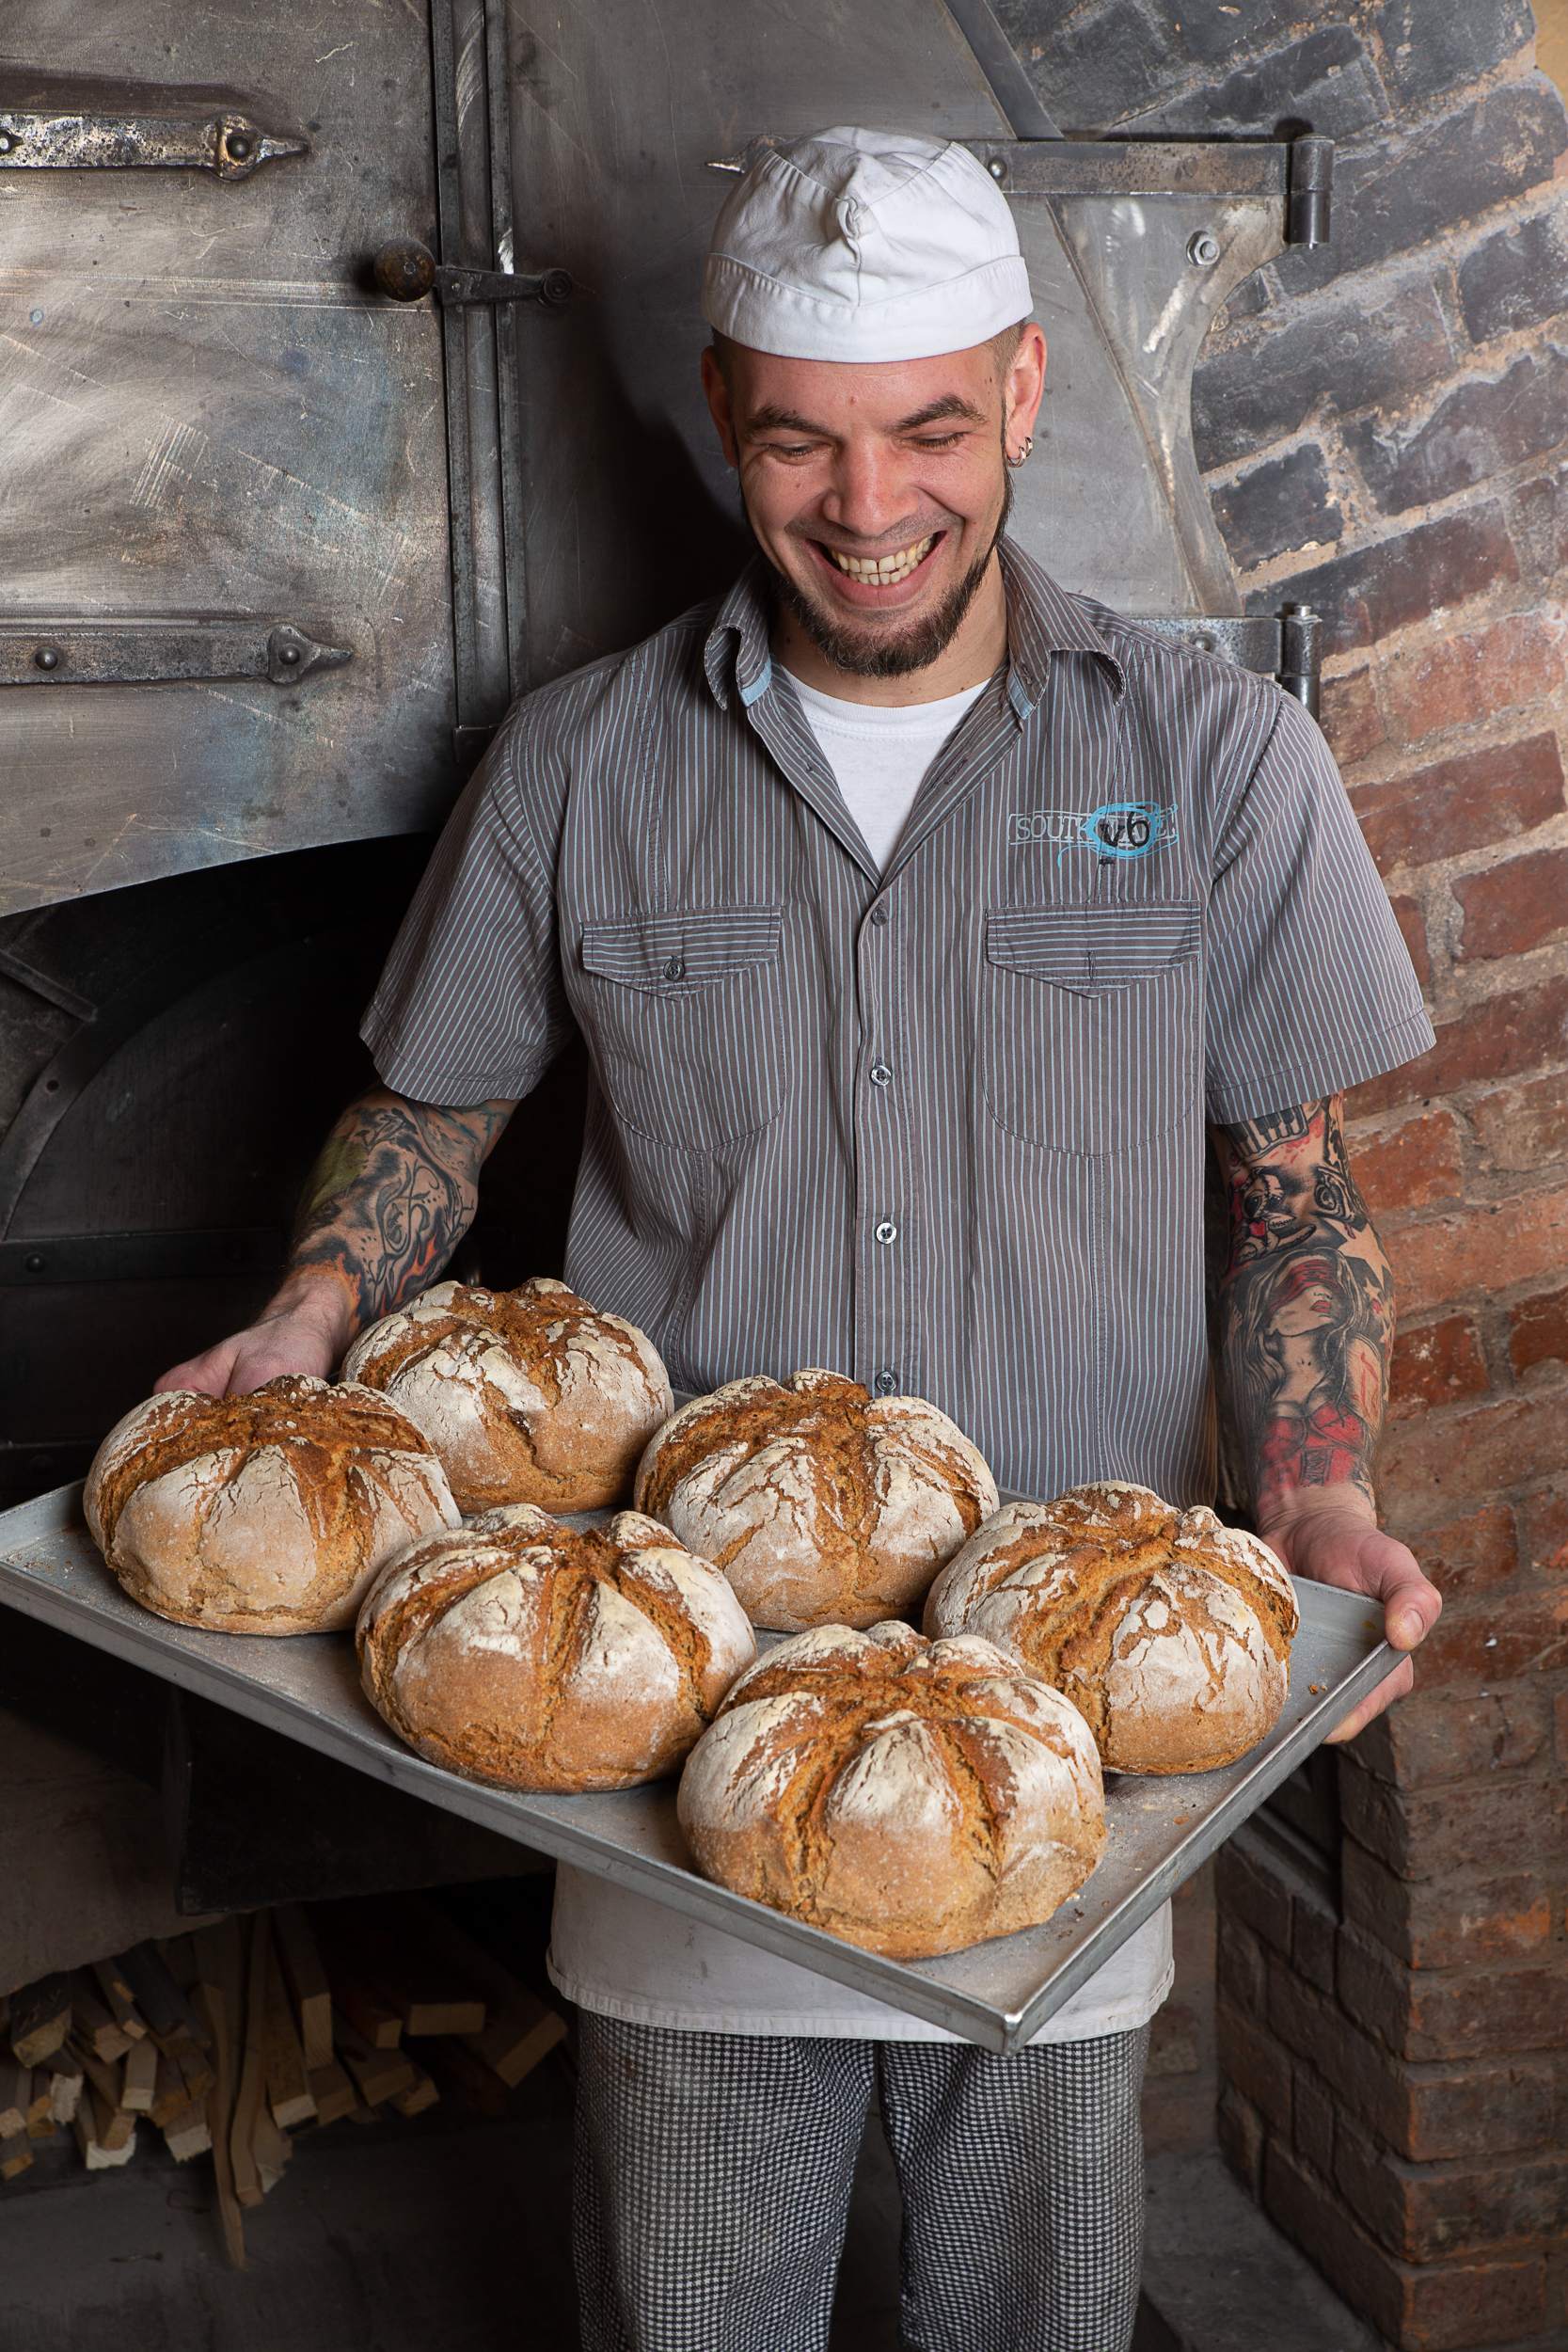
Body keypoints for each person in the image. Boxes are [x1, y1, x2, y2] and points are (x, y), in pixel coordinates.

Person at [160, 127, 1441, 2352]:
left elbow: (1292, 1182)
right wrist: (310, 1304)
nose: (870, 506)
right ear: (721, 410)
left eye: (933, 429)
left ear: (1028, 393)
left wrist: (1317, 1482)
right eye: (804, 441)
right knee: (691, 2311)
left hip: (1060, 1713)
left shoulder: (1217, 757)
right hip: (672, 1710)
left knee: (1024, 2318)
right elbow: (433, 1110)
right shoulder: (577, 763)